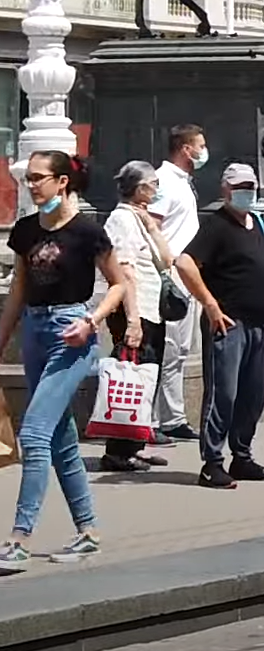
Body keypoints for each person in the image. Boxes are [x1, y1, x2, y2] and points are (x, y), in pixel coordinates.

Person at [0, 151, 126, 567]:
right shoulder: (25, 231)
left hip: (71, 334)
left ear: (62, 182)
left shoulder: (87, 232)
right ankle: (87, 530)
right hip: (35, 333)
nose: (31, 185)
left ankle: (19, 538)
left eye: (38, 178)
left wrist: (92, 320)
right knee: (60, 440)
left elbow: (119, 285)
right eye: (28, 179)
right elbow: (19, 289)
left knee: (34, 435)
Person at [175, 163, 264, 490]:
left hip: (259, 324)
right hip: (229, 323)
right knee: (224, 392)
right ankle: (212, 463)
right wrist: (210, 304)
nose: (246, 192)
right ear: (225, 190)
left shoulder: (258, 222)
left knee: (254, 394)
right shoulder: (216, 226)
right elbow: (184, 262)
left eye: (250, 186)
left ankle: (243, 456)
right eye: (239, 187)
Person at [101, 161, 175, 473]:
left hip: (151, 309)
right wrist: (132, 319)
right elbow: (125, 271)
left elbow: (167, 259)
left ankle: (135, 444)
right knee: (130, 377)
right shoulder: (121, 220)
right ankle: (118, 450)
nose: (157, 189)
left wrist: (153, 227)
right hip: (137, 310)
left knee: (146, 378)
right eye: (153, 183)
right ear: (140, 187)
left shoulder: (139, 217)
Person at [148, 122, 210, 443]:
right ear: (186, 149)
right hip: (170, 274)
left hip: (186, 273)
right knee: (168, 346)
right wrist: (165, 265)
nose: (203, 151)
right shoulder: (164, 182)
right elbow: (154, 225)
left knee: (181, 349)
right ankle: (153, 419)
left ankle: (174, 417)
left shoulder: (184, 182)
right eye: (200, 145)